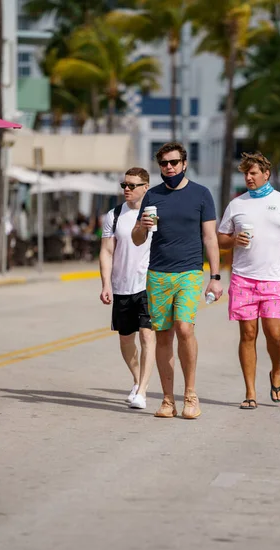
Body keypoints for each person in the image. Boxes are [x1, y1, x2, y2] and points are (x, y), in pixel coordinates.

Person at [132, 142, 223, 419]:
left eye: (173, 162)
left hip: (189, 272)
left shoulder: (201, 194)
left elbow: (210, 237)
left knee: (184, 329)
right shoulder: (152, 196)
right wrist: (141, 227)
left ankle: (191, 394)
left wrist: (215, 277)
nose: (168, 168)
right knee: (163, 336)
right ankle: (168, 400)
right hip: (158, 273)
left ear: (184, 164)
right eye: (163, 164)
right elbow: (138, 240)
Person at [218, 151, 280, 410]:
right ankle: (250, 392)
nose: (248, 177)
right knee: (248, 334)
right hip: (243, 278)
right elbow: (220, 239)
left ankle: (276, 370)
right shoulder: (237, 204)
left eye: (253, 173)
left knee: (275, 334)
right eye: (245, 173)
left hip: (274, 280)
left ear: (266, 174)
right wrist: (234, 241)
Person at [99, 167, 155, 409]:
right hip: (122, 285)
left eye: (133, 185)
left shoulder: (154, 214)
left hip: (148, 284)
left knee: (146, 335)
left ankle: (142, 391)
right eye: (125, 185)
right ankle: (136, 379)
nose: (128, 190)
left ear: (145, 187)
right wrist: (106, 284)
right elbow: (106, 251)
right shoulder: (114, 215)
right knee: (125, 340)